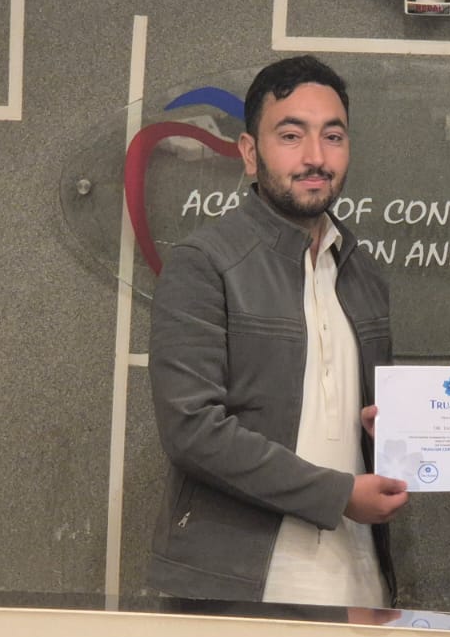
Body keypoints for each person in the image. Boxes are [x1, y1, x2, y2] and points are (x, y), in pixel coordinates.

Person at [147, 55, 407, 607]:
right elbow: (192, 431)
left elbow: (356, 425)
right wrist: (338, 495)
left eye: (332, 136)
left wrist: (393, 431)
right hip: (240, 588)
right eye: (291, 135)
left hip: (361, 583)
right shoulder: (204, 263)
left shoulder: (363, 273)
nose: (316, 157)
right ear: (249, 152)